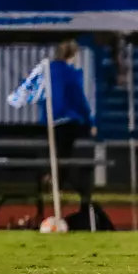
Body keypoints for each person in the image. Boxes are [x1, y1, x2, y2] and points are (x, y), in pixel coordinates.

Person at [46, 40, 96, 210]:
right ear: (73, 55)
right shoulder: (71, 74)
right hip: (67, 121)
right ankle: (64, 185)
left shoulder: (48, 71)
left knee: (59, 154)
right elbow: (79, 101)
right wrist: (90, 121)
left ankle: (54, 180)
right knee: (66, 156)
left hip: (50, 121)